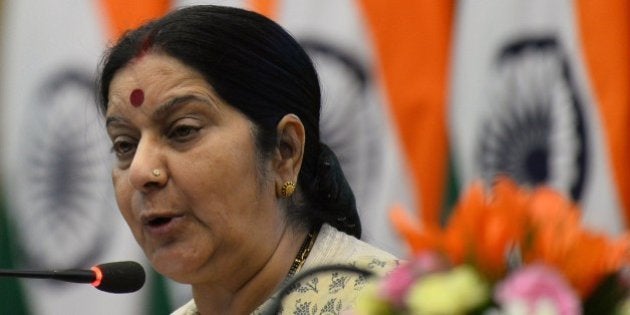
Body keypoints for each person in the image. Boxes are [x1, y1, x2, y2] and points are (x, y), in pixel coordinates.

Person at [97, 5, 398, 314]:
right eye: (124, 145)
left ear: (285, 151)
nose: (140, 171)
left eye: (183, 130)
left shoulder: (396, 305)